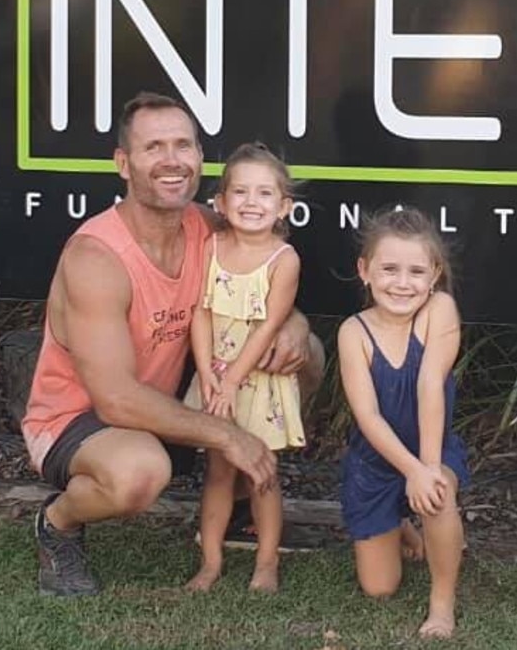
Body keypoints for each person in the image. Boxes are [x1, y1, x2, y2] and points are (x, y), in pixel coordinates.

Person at [20, 92, 323, 597]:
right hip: (81, 417)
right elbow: (114, 397)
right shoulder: (97, 256)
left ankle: (241, 498)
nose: (171, 160)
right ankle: (58, 523)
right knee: (140, 472)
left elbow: (262, 287)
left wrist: (293, 321)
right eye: (153, 147)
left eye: (183, 145)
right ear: (124, 163)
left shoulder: (206, 226)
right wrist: (229, 436)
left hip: (165, 403)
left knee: (305, 353)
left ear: (200, 158)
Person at [337, 207, 468, 639]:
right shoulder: (353, 332)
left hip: (430, 447)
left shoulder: (440, 310)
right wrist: (408, 470)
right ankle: (402, 525)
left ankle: (442, 602)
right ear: (365, 271)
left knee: (438, 493)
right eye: (389, 269)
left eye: (416, 271)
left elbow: (430, 383)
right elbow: (368, 416)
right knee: (379, 588)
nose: (402, 282)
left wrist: (426, 470)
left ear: (434, 275)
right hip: (375, 461)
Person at [184, 143, 305, 593]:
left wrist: (233, 379)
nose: (251, 203)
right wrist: (210, 375)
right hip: (215, 381)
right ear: (220, 202)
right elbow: (199, 311)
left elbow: (271, 324)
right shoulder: (209, 246)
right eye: (240, 192)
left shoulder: (283, 260)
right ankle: (210, 562)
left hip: (257, 383)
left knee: (261, 473)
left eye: (264, 194)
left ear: (283, 207)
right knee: (218, 472)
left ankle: (266, 563)